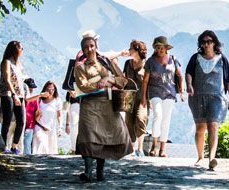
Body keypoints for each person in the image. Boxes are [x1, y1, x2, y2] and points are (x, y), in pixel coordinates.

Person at [73, 33, 133, 182]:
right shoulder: (80, 68)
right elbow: (84, 86)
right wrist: (100, 83)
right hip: (89, 105)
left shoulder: (107, 63)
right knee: (88, 137)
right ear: (83, 51)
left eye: (92, 46)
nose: (89, 49)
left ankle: (100, 172)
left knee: (103, 138)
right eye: (86, 47)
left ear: (96, 47)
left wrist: (109, 78)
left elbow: (123, 81)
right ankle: (88, 172)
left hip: (107, 103)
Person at [186, 30, 229, 170]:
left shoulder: (222, 58)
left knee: (213, 125)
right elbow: (188, 73)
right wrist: (189, 85)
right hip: (198, 96)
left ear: (214, 43)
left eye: (209, 41)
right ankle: (200, 157)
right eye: (204, 42)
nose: (206, 44)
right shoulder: (195, 58)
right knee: (200, 128)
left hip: (216, 97)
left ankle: (211, 158)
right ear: (200, 44)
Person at [141, 36, 184, 158]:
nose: (159, 50)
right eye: (157, 47)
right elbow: (145, 81)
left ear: (166, 48)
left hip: (170, 92)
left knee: (166, 120)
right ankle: (154, 146)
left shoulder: (173, 59)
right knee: (158, 115)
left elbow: (179, 75)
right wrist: (144, 97)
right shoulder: (150, 61)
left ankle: (162, 149)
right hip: (154, 91)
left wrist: (181, 91)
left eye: (161, 48)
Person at [0, 41, 28, 154]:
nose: (22, 50)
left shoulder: (19, 64)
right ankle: (4, 146)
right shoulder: (6, 62)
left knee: (21, 121)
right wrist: (14, 94)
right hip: (8, 94)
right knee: (7, 120)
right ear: (15, 49)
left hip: (20, 94)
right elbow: (7, 79)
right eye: (21, 48)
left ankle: (14, 146)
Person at [123, 39, 148, 157]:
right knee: (129, 122)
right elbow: (123, 78)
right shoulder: (128, 64)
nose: (129, 51)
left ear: (137, 50)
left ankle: (140, 148)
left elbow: (149, 82)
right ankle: (131, 148)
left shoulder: (146, 64)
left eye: (131, 49)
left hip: (142, 97)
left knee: (141, 118)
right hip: (128, 96)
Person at [32, 81, 61, 155]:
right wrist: (39, 95)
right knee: (42, 145)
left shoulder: (57, 100)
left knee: (51, 152)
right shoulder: (40, 100)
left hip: (51, 128)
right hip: (39, 126)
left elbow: (59, 115)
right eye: (48, 89)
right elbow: (28, 101)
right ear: (45, 89)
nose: (50, 91)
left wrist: (60, 127)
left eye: (52, 89)